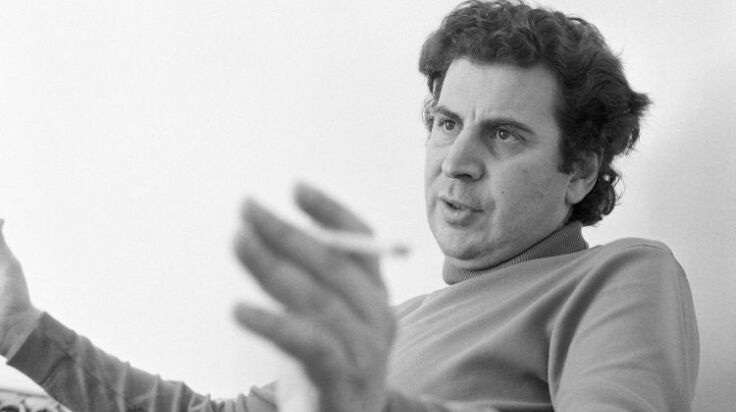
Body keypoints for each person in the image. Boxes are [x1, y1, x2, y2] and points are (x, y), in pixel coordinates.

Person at [0, 0, 699, 411]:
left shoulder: (622, 277)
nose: (455, 160)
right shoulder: (387, 328)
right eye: (446, 123)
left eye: (504, 134)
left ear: (579, 171)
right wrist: (24, 331)